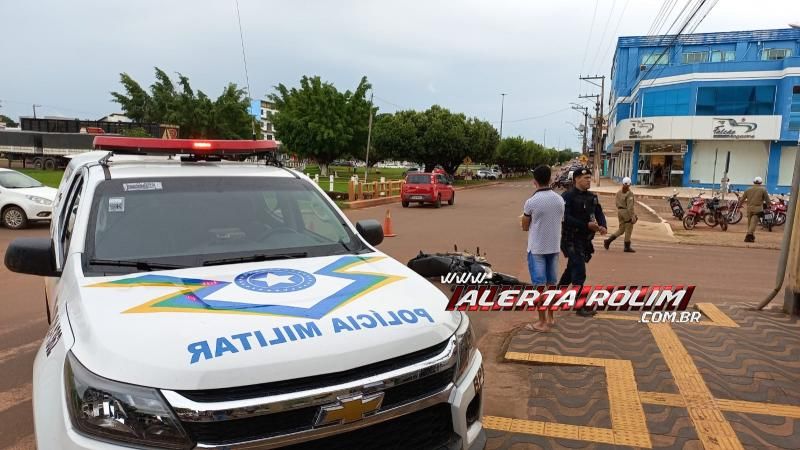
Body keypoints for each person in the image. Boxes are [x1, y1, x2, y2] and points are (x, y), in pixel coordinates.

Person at [521, 165, 565, 331]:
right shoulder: (559, 200)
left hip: (537, 249)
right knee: (552, 285)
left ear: (535, 181)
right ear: (550, 179)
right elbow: (559, 220)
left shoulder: (532, 201)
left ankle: (541, 323)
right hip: (553, 247)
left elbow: (525, 226)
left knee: (539, 287)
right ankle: (551, 318)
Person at [559, 167, 607, 317]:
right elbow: (565, 218)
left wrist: (603, 225)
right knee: (579, 272)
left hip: (584, 240)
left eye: (589, 178)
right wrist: (585, 225)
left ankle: (555, 297)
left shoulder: (591, 196)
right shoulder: (567, 196)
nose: (588, 181)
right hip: (571, 239)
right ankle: (580, 306)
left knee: (570, 270)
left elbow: (598, 211)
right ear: (577, 179)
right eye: (586, 178)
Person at [604, 177, 637, 253]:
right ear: (630, 184)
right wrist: (633, 216)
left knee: (621, 229)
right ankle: (627, 246)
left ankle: (608, 241)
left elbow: (616, 203)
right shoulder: (629, 193)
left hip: (619, 211)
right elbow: (630, 207)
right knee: (628, 229)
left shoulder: (618, 192)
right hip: (626, 212)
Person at [742, 176, 770, 243]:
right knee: (753, 223)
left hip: (749, 209)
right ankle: (748, 236)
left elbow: (742, 199)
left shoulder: (748, 189)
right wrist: (769, 205)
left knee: (750, 224)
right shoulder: (763, 190)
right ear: (761, 182)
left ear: (754, 182)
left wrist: (739, 204)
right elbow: (767, 200)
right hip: (757, 209)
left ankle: (751, 237)